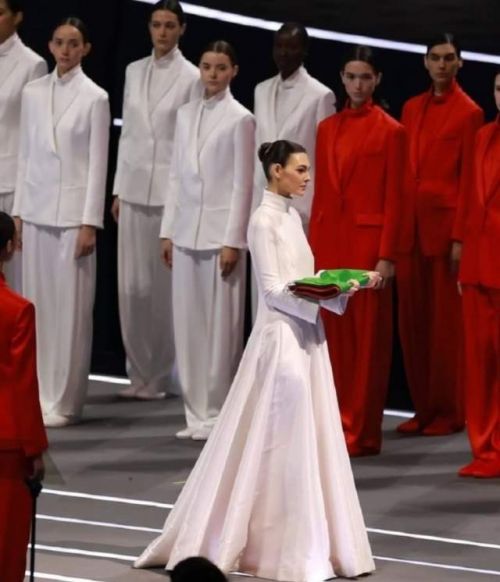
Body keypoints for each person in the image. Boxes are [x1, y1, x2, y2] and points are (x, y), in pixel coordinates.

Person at [135, 140, 375, 581]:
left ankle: (307, 541)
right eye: (300, 170)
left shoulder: (292, 217)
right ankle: (279, 545)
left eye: (308, 170)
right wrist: (327, 291)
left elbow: (302, 279)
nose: (307, 177)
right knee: (281, 438)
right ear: (276, 171)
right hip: (281, 337)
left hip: (307, 336)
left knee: (307, 434)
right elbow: (272, 291)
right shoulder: (263, 220)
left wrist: (338, 285)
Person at [309, 46, 408, 456]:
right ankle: (333, 427)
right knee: (333, 340)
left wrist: (388, 255)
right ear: (342, 79)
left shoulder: (391, 131)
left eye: (365, 77)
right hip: (330, 244)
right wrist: (311, 251)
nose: (358, 84)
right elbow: (321, 194)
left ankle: (362, 431)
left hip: (368, 249)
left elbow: (398, 198)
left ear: (377, 80)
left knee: (367, 344)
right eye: (351, 76)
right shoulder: (326, 128)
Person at [12, 17, 110, 427]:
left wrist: (89, 221)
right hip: (35, 210)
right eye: (59, 43)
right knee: (38, 305)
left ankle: (66, 400)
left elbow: (98, 165)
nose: (66, 50)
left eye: (73, 43)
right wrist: (18, 213)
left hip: (72, 216)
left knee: (70, 310)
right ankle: (38, 394)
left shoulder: (95, 97)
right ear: (50, 47)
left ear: (85, 48)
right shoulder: (33, 92)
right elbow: (25, 155)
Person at [160, 40, 255, 441]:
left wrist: (234, 239)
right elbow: (176, 176)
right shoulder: (185, 115)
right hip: (185, 231)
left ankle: (217, 413)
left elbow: (243, 184)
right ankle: (195, 411)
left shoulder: (241, 119)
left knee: (220, 330)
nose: (212, 74)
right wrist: (167, 230)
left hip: (219, 236)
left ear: (233, 71)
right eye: (206, 66)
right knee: (189, 325)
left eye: (220, 68)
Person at [111, 0, 200, 401]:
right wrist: (117, 188)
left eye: (169, 25)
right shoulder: (133, 70)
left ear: (182, 29)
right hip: (132, 189)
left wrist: (184, 198)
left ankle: (164, 373)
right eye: (156, 24)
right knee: (132, 288)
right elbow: (129, 132)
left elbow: (188, 141)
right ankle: (139, 371)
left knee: (163, 290)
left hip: (168, 193)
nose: (162, 32)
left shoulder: (192, 76)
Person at [396, 33, 484, 437]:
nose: (442, 65)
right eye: (435, 58)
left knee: (446, 329)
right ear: (425, 62)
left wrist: (461, 237)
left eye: (449, 58)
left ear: (460, 63)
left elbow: (470, 180)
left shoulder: (470, 112)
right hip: (411, 229)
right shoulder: (411, 108)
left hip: (446, 232)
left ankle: (450, 411)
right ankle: (424, 408)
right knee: (414, 325)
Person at [0, 211, 48, 582]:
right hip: (6, 444)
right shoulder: (17, 311)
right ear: (8, 249)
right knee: (5, 547)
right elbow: (22, 385)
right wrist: (35, 450)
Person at [457, 70, 500, 479]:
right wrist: (464, 255)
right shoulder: (483, 136)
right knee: (481, 360)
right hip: (479, 263)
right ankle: (484, 445)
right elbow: (471, 199)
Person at [252, 22, 336, 228]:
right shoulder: (261, 90)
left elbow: (325, 160)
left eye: (291, 47)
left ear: (304, 51)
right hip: (263, 202)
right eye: (279, 46)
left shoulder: (320, 95)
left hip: (301, 207)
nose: (283, 53)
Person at [0, 0, 47, 292]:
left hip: (11, 183)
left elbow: (35, 135)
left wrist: (24, 197)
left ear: (17, 17)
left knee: (13, 276)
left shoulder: (33, 64)